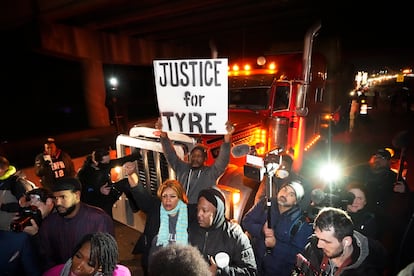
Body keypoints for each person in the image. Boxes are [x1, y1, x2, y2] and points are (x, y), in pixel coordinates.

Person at [349, 148, 410, 273]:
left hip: (381, 223)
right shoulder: (360, 172)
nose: (378, 159)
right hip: (356, 214)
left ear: (388, 162)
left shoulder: (394, 178)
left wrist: (405, 191)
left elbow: (406, 201)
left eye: (382, 158)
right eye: (375, 156)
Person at [125, 161, 190, 276]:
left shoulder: (189, 213)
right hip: (153, 266)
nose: (167, 200)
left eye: (172, 196)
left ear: (180, 198)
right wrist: (131, 174)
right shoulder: (155, 207)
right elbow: (139, 192)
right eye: (164, 196)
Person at [38, 176, 115, 272]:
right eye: (55, 198)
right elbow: (46, 259)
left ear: (77, 196)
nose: (58, 203)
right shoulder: (49, 224)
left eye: (63, 197)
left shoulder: (99, 219)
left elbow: (106, 258)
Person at [155, 117, 234, 205]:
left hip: (199, 213)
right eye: (194, 155)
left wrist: (227, 138)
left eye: (199, 156)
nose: (196, 158)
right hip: (182, 210)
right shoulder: (182, 169)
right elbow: (170, 154)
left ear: (205, 159)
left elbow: (223, 160)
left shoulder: (211, 173)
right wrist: (163, 135)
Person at [242, 181, 312, 276]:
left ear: (296, 201)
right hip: (253, 266)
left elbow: (299, 255)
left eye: (291, 194)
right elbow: (246, 221)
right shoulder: (264, 205)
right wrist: (261, 230)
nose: (285, 194)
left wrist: (275, 245)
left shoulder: (301, 224)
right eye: (285, 189)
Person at [293, 207, 386, 276]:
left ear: (346, 242)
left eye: (326, 241)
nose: (319, 245)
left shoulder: (367, 271)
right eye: (318, 237)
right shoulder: (312, 247)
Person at [189, 187, 257, 275]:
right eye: (198, 209)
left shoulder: (234, 235)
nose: (199, 214)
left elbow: (251, 272)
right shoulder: (190, 229)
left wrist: (220, 272)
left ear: (218, 212)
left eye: (204, 211)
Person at [77, 147, 140, 217]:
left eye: (109, 161)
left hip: (109, 192)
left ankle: (136, 208)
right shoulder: (84, 173)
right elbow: (84, 193)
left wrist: (137, 154)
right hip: (96, 201)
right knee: (106, 218)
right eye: (106, 163)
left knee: (126, 183)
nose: (108, 164)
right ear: (96, 162)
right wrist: (99, 190)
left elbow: (121, 161)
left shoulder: (106, 164)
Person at [43, 231, 131, 276]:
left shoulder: (120, 273)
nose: (78, 267)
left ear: (100, 268)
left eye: (90, 264)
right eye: (78, 256)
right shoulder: (54, 273)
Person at [0, 155, 35, 230]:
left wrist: (3, 206)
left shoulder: (16, 182)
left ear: (0, 170)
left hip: (14, 232)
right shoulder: (1, 182)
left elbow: (29, 205)